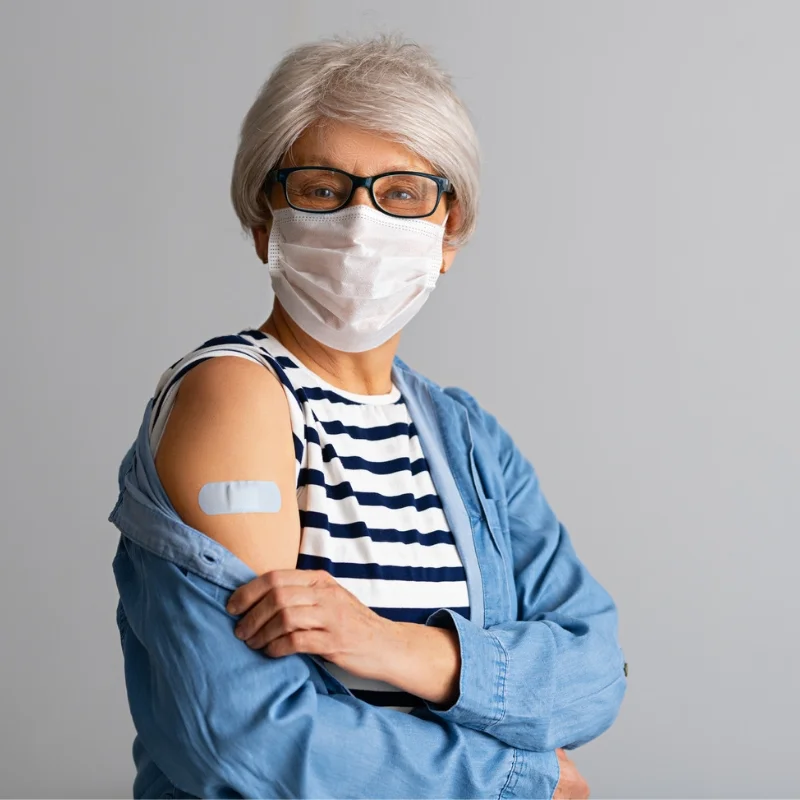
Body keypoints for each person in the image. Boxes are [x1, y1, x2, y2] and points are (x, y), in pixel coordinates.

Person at [108, 34, 626, 799]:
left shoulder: (467, 439)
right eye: (321, 189)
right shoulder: (237, 396)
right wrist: (520, 779)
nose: (360, 224)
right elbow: (243, 737)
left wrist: (391, 647)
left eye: (403, 193)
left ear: (449, 234)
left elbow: (593, 677)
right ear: (263, 222)